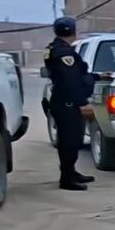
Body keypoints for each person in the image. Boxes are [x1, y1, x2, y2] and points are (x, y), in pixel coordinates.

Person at [44, 17, 98, 191]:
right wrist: (83, 103)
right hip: (68, 104)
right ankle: (67, 179)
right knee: (70, 141)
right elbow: (70, 81)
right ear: (72, 31)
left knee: (70, 140)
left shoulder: (53, 48)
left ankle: (71, 172)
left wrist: (97, 77)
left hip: (62, 101)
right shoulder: (65, 53)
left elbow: (72, 76)